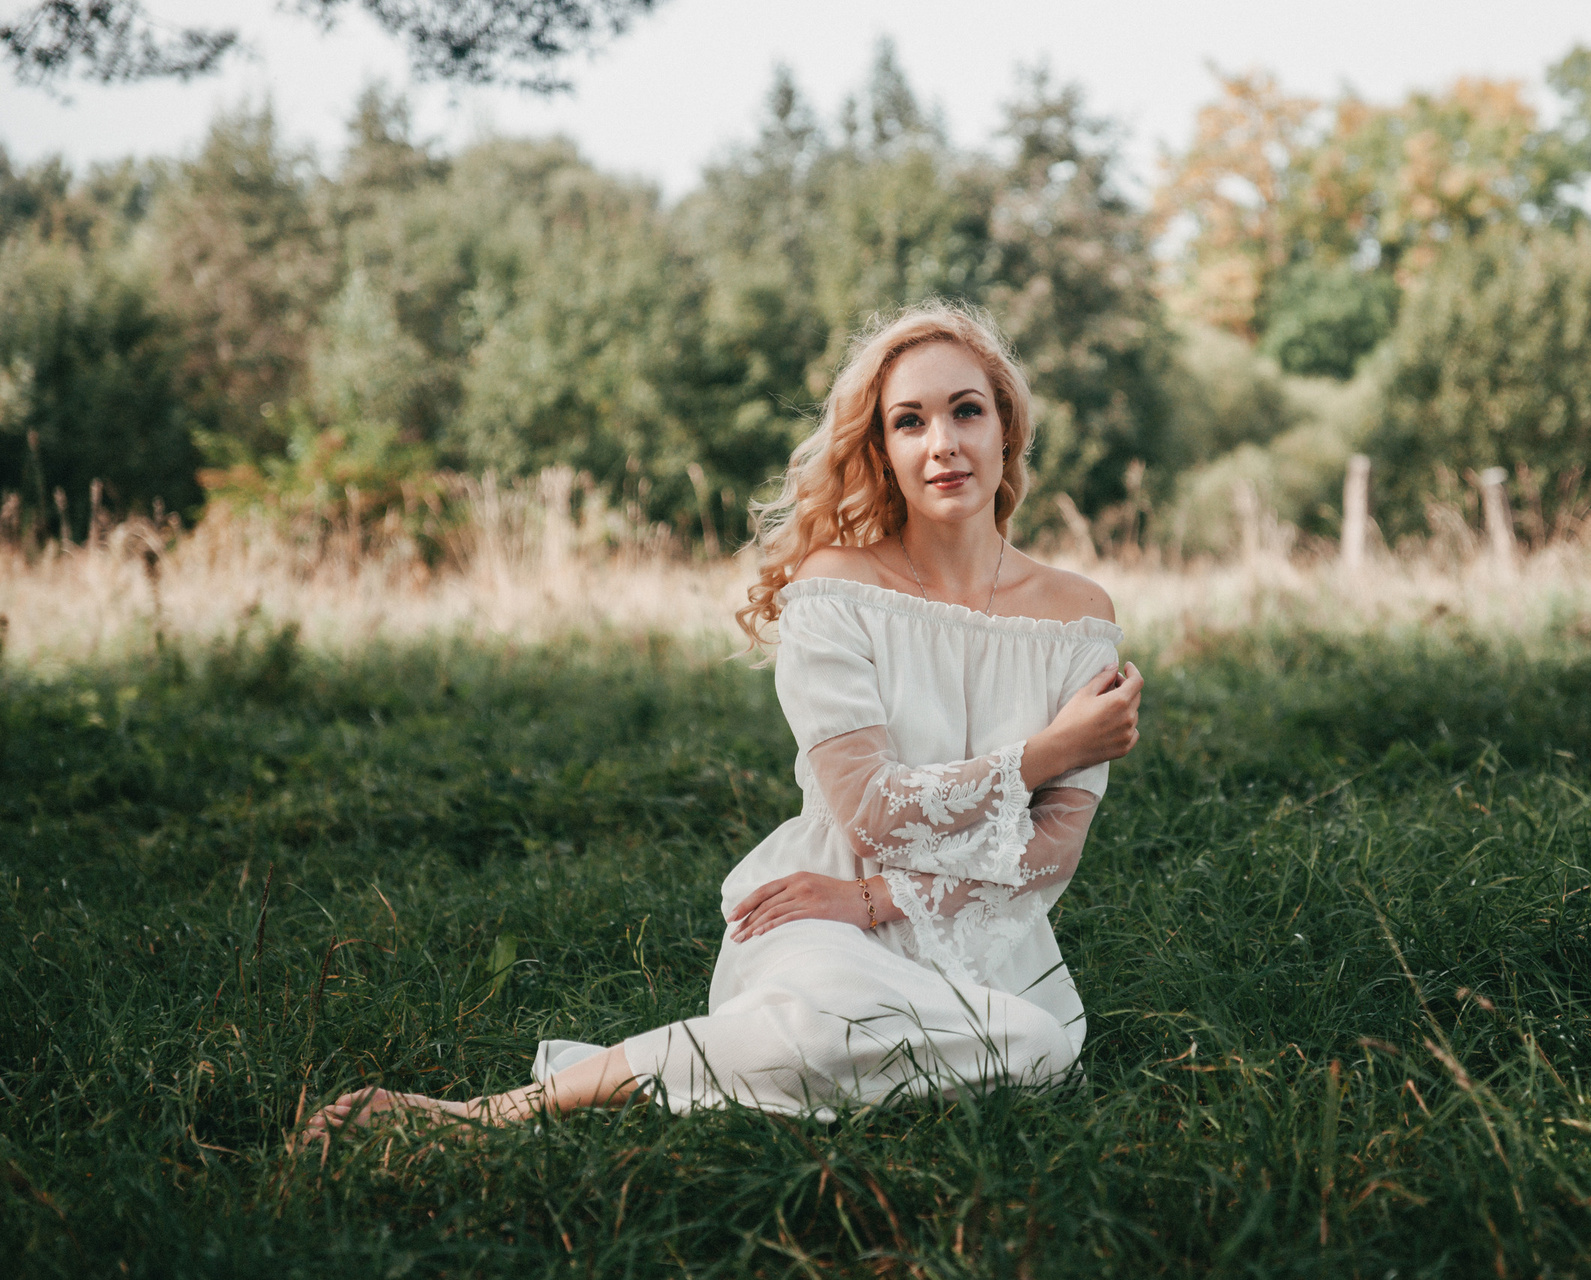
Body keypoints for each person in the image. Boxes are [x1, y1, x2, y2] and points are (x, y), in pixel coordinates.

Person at [302, 302, 1143, 1140]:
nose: (943, 444)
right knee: (824, 1030)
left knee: (1039, 1048)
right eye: (909, 422)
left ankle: (761, 1059)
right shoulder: (837, 588)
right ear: (882, 451)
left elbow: (1050, 850)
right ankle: (485, 1114)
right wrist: (1047, 753)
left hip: (987, 944)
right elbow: (873, 812)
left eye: (966, 411)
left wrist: (881, 896)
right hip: (817, 911)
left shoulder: (1077, 617)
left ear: (1007, 427)